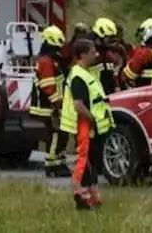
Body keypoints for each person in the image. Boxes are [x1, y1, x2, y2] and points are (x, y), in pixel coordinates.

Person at [61, 38, 114, 210]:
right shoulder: (78, 76)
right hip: (84, 124)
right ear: (83, 55)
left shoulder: (86, 72)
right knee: (83, 158)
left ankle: (91, 193)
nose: (96, 55)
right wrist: (92, 118)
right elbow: (78, 105)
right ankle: (79, 191)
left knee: (91, 159)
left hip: (91, 125)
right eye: (92, 52)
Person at [32, 25, 71, 177]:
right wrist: (58, 104)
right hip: (47, 106)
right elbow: (48, 87)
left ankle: (59, 163)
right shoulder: (46, 62)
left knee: (62, 134)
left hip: (52, 105)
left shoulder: (51, 60)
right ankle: (51, 166)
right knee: (55, 134)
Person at [89, 18, 126, 95]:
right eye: (109, 38)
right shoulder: (88, 53)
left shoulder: (109, 53)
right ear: (100, 35)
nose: (112, 41)